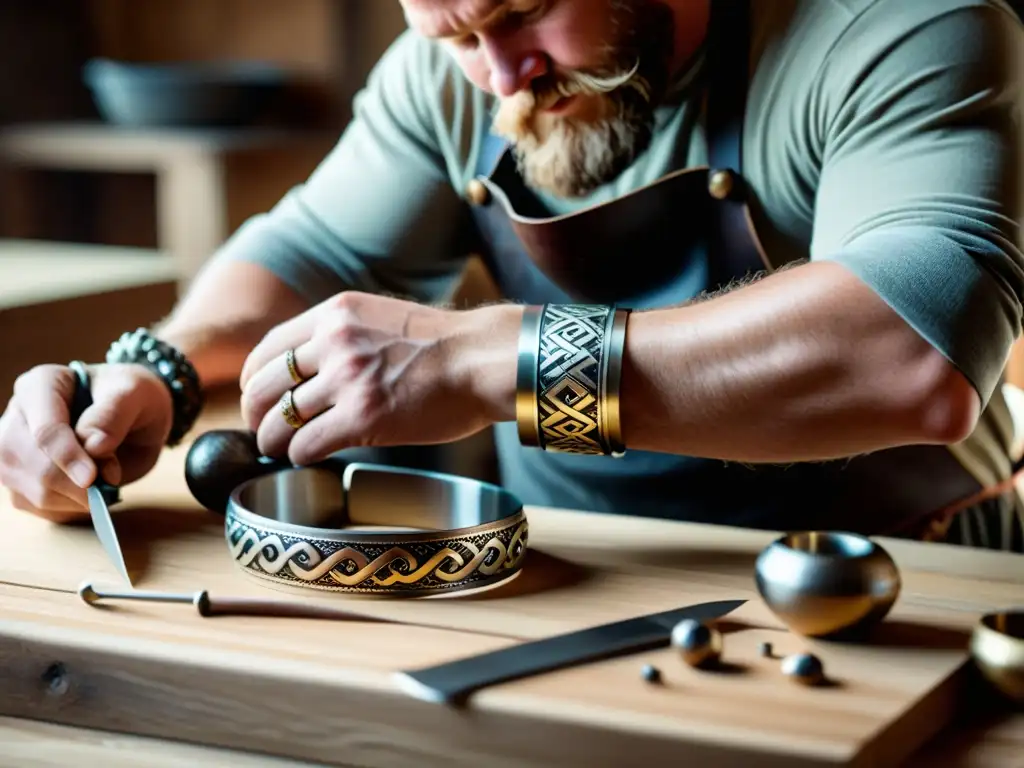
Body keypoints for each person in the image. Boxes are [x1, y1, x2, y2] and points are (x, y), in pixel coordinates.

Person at [2, 0, 1023, 550]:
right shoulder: (457, 67)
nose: (498, 77)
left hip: (891, 577)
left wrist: (499, 358)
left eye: (525, 13)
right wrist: (152, 375)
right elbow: (307, 258)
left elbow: (909, 352)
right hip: (581, 575)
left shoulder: (898, 23)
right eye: (450, 35)